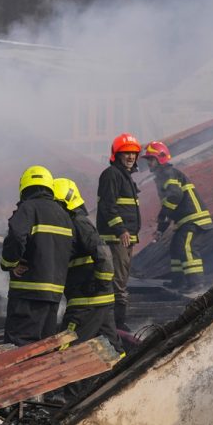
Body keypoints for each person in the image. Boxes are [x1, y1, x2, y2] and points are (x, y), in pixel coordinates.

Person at [1, 165, 73, 346]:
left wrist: (10, 263)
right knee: (44, 345)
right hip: (54, 294)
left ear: (24, 188)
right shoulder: (63, 214)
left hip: (28, 292)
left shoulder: (28, 208)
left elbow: (16, 236)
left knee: (19, 346)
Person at [52, 178, 123, 356]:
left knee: (66, 347)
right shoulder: (74, 222)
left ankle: (65, 384)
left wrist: (99, 283)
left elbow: (103, 253)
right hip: (98, 299)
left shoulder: (77, 222)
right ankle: (121, 376)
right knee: (112, 347)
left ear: (64, 202)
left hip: (86, 300)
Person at [141, 141, 213, 294]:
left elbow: (175, 196)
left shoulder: (168, 173)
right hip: (185, 221)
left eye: (151, 160)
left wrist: (163, 212)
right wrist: (161, 229)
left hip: (193, 219)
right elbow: (170, 206)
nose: (149, 164)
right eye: (148, 160)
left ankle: (196, 283)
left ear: (160, 158)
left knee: (186, 247)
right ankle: (178, 281)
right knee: (175, 248)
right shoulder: (162, 176)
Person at [97, 133, 142, 330]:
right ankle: (117, 325)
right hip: (117, 238)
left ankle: (115, 323)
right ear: (117, 155)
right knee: (118, 282)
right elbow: (108, 206)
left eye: (134, 153)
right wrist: (121, 229)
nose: (131, 157)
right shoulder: (112, 175)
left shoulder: (125, 177)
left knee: (120, 280)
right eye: (126, 153)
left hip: (125, 237)